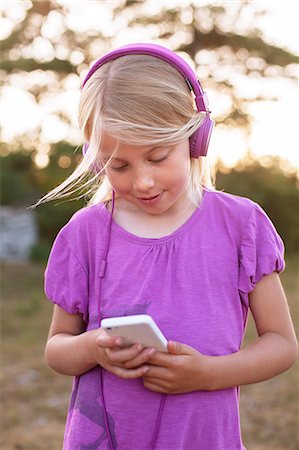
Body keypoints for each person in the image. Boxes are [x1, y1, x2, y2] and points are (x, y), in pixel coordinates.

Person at [41, 43, 297, 450]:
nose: (141, 182)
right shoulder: (85, 234)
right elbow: (57, 350)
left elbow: (282, 345)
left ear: (195, 139)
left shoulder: (241, 225)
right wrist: (95, 348)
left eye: (158, 157)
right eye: (118, 166)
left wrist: (207, 374)